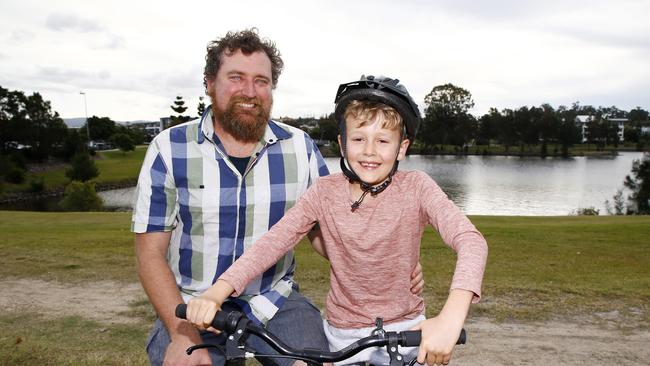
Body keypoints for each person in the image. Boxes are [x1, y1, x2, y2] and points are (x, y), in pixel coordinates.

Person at [132, 29, 424, 366]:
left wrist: (386, 264)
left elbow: (327, 230)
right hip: (194, 304)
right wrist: (181, 332)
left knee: (319, 361)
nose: (249, 91)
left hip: (275, 299)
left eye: (261, 81)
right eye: (236, 77)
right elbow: (149, 255)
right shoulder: (168, 149)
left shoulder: (300, 147)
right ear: (210, 83)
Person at [185, 75, 488, 366]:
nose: (369, 151)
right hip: (344, 335)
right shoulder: (324, 193)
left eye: (383, 140)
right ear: (343, 144)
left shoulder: (417, 187)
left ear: (402, 148)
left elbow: (470, 241)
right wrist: (217, 292)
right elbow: (273, 242)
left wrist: (450, 318)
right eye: (359, 138)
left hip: (407, 330)